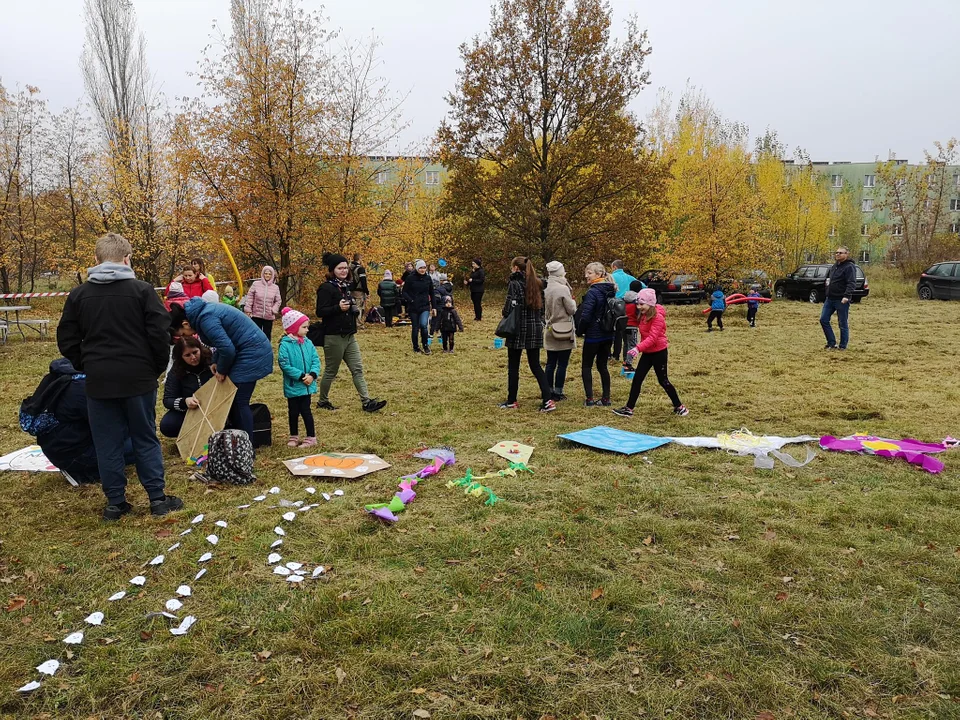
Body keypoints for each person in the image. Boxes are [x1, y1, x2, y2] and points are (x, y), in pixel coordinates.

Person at [57, 232, 181, 520]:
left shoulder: (79, 295)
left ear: (96, 260)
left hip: (100, 380)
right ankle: (157, 499)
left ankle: (115, 503)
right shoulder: (142, 291)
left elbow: (67, 339)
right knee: (145, 437)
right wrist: (155, 368)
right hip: (138, 378)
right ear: (127, 259)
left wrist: (86, 364)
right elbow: (160, 336)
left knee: (107, 442)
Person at [169, 297, 274, 442]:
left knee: (239, 401)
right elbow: (225, 341)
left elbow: (228, 349)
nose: (186, 337)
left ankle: (246, 446)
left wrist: (222, 370)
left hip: (253, 353)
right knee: (236, 400)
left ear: (185, 323)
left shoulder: (206, 319)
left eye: (183, 334)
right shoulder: (204, 313)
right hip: (246, 350)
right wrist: (215, 361)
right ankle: (238, 441)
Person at [28, 358, 135, 485]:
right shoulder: (84, 388)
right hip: (75, 453)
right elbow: (109, 426)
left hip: (54, 448)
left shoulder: (57, 377)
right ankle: (87, 473)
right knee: (140, 445)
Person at [314, 252, 388, 412]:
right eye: (340, 268)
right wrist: (337, 308)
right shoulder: (326, 288)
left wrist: (353, 309)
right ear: (332, 269)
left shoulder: (346, 287)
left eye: (345, 268)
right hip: (333, 336)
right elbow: (320, 311)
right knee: (331, 371)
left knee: (357, 369)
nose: (343, 271)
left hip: (349, 335)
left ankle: (367, 402)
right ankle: (323, 401)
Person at [613, 288, 688, 417]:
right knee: (637, 379)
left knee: (663, 381)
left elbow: (652, 339)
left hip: (659, 352)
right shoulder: (643, 316)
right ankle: (629, 409)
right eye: (638, 304)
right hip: (647, 353)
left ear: (650, 304)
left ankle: (679, 407)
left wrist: (637, 348)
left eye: (642, 304)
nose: (639, 307)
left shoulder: (658, 318)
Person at [499, 257, 555, 412]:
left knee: (513, 366)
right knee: (536, 365)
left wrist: (505, 313)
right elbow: (542, 308)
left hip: (517, 328)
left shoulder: (514, 284)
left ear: (516, 268)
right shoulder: (538, 284)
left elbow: (508, 308)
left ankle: (512, 400)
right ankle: (548, 400)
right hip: (535, 327)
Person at [278, 307, 320, 448]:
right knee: (293, 412)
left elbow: (315, 360)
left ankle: (311, 436)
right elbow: (284, 364)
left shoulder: (308, 343)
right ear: (294, 328)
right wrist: (301, 376)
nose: (307, 330)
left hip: (307, 385)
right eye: (304, 327)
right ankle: (294, 436)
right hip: (294, 384)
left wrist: (312, 375)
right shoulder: (285, 345)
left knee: (306, 410)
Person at [577, 262, 615, 407]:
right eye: (586, 272)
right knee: (602, 366)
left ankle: (589, 399)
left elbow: (586, 316)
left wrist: (580, 330)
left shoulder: (593, 292)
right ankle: (606, 398)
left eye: (590, 273)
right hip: (608, 333)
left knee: (586, 366)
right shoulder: (611, 289)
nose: (586, 275)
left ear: (598, 274)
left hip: (593, 334)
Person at [160, 336, 214, 438]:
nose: (193, 357)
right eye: (187, 355)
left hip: (215, 406)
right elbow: (168, 400)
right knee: (168, 425)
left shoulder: (212, 362)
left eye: (195, 352)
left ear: (200, 349)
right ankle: (192, 433)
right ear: (181, 357)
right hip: (190, 411)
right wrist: (185, 402)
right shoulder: (176, 371)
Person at [543, 260, 577, 402]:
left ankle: (548, 390)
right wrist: (573, 301)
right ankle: (558, 391)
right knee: (562, 363)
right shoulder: (562, 288)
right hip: (564, 329)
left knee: (550, 362)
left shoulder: (545, 287)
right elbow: (572, 309)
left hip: (550, 327)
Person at [821, 246, 856, 350]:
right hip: (830, 298)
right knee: (823, 319)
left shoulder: (849, 267)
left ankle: (843, 346)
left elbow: (851, 283)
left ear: (846, 254)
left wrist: (846, 296)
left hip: (841, 299)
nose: (838, 254)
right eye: (836, 253)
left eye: (840, 253)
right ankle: (831, 343)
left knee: (842, 323)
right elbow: (829, 280)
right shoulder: (834, 266)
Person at [401, 260, 436, 354]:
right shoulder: (410, 278)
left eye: (424, 268)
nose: (422, 270)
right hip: (413, 307)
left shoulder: (428, 278)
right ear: (417, 268)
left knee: (424, 325)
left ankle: (425, 346)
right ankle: (416, 347)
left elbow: (432, 293)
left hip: (425, 306)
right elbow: (404, 292)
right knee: (415, 327)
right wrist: (411, 300)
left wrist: (434, 307)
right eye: (420, 268)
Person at [610, 260, 640, 361]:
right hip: (629, 308)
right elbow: (643, 286)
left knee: (615, 331)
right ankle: (625, 358)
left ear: (614, 267)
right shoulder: (630, 278)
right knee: (627, 338)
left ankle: (614, 355)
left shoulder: (610, 277)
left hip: (614, 306)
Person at [245, 265, 282, 338]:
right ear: (263, 274)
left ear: (272, 275)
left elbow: (278, 301)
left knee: (267, 335)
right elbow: (250, 297)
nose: (267, 275)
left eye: (269, 274)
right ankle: (255, 348)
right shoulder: (256, 284)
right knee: (255, 335)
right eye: (266, 273)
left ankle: (266, 349)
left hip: (268, 316)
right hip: (256, 315)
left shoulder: (275, 288)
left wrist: (274, 309)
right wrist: (248, 309)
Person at [622, 280, 645, 371]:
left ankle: (625, 361)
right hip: (632, 325)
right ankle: (628, 363)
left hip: (623, 324)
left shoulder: (624, 297)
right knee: (632, 345)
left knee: (626, 344)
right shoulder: (637, 301)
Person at [350, 253, 369, 329]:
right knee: (359, 307)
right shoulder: (360, 269)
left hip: (350, 290)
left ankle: (352, 322)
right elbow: (363, 281)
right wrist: (366, 291)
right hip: (359, 291)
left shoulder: (349, 268)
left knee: (352, 306)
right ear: (359, 259)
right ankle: (358, 324)